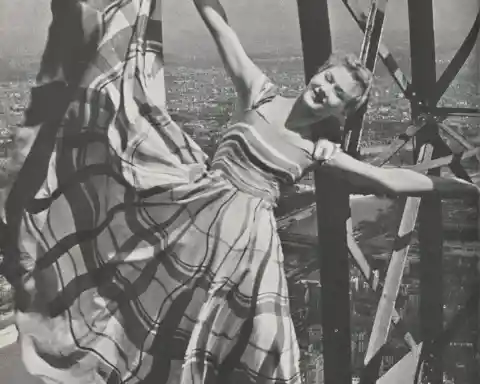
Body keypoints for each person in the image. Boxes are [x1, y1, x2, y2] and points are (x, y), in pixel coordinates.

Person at [2, 1, 478, 384]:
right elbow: (220, 28)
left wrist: (458, 186)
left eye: (337, 94)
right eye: (327, 78)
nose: (325, 90)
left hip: (248, 255)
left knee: (264, 343)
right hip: (190, 218)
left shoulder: (320, 150)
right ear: (316, 74)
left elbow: (391, 180)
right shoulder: (260, 93)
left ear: (346, 109)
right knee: (144, 303)